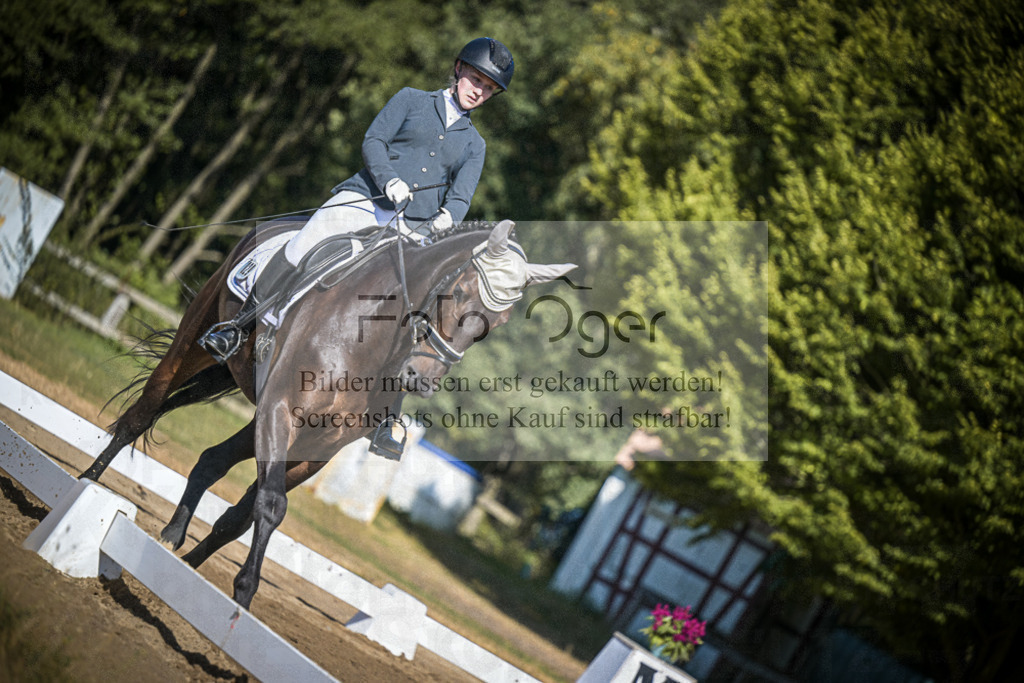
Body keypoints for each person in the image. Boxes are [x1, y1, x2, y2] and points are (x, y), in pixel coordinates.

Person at [199, 37, 515, 363]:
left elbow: (461, 197)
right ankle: (240, 326)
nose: (479, 91)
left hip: (412, 227)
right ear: (459, 68)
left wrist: (448, 217)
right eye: (477, 80)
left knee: (418, 297)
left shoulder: (475, 145)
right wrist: (389, 179)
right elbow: (374, 140)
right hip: (366, 198)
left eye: (489, 88)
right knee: (306, 242)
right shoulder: (411, 99)